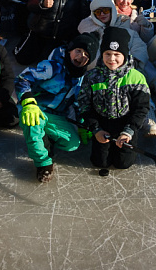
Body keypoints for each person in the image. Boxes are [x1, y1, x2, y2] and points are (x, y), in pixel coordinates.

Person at [16, 32, 100, 183]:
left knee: (72, 144)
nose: (81, 56)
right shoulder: (52, 67)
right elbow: (23, 77)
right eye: (78, 51)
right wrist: (28, 101)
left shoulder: (80, 80)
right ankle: (43, 163)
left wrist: (82, 123)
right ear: (70, 51)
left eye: (86, 54)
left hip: (56, 115)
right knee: (33, 125)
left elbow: (77, 103)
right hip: (35, 109)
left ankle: (46, 138)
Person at [77, 27, 151, 172]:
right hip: (102, 124)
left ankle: (127, 142)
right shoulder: (92, 76)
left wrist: (129, 130)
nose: (112, 59)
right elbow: (84, 104)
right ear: (102, 54)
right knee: (100, 162)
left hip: (126, 124)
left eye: (117, 54)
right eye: (108, 54)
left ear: (125, 55)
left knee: (122, 163)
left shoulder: (136, 77)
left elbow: (141, 108)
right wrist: (96, 129)